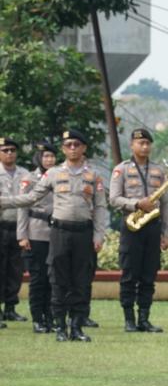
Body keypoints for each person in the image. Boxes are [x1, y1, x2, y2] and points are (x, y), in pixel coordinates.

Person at [0, 129, 109, 342]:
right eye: (68, 145)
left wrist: (99, 235)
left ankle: (76, 326)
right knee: (57, 279)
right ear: (63, 149)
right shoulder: (53, 174)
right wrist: (4, 201)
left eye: (77, 144)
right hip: (59, 232)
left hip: (83, 232)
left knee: (80, 279)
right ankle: (60, 327)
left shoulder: (93, 176)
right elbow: (31, 197)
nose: (73, 148)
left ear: (84, 148)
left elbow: (101, 206)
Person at [109, 128, 168, 333]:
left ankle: (144, 319)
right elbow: (113, 199)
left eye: (147, 143)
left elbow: (166, 204)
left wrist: (167, 233)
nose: (144, 146)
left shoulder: (158, 171)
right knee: (129, 274)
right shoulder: (121, 169)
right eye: (140, 143)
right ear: (132, 145)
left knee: (149, 275)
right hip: (131, 226)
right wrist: (137, 203)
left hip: (153, 227)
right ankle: (129, 319)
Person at [17, 140, 58, 333]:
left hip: (56, 234)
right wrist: (22, 235)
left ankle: (50, 316)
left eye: (51, 156)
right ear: (39, 158)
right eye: (45, 156)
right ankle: (37, 318)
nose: (49, 159)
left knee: (53, 278)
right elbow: (22, 208)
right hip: (35, 232)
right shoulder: (29, 178)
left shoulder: (59, 176)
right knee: (38, 278)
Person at [0, 136, 29, 323]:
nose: (9, 153)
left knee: (15, 269)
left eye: (12, 150)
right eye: (5, 150)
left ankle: (10, 307)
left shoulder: (25, 174)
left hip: (18, 227)